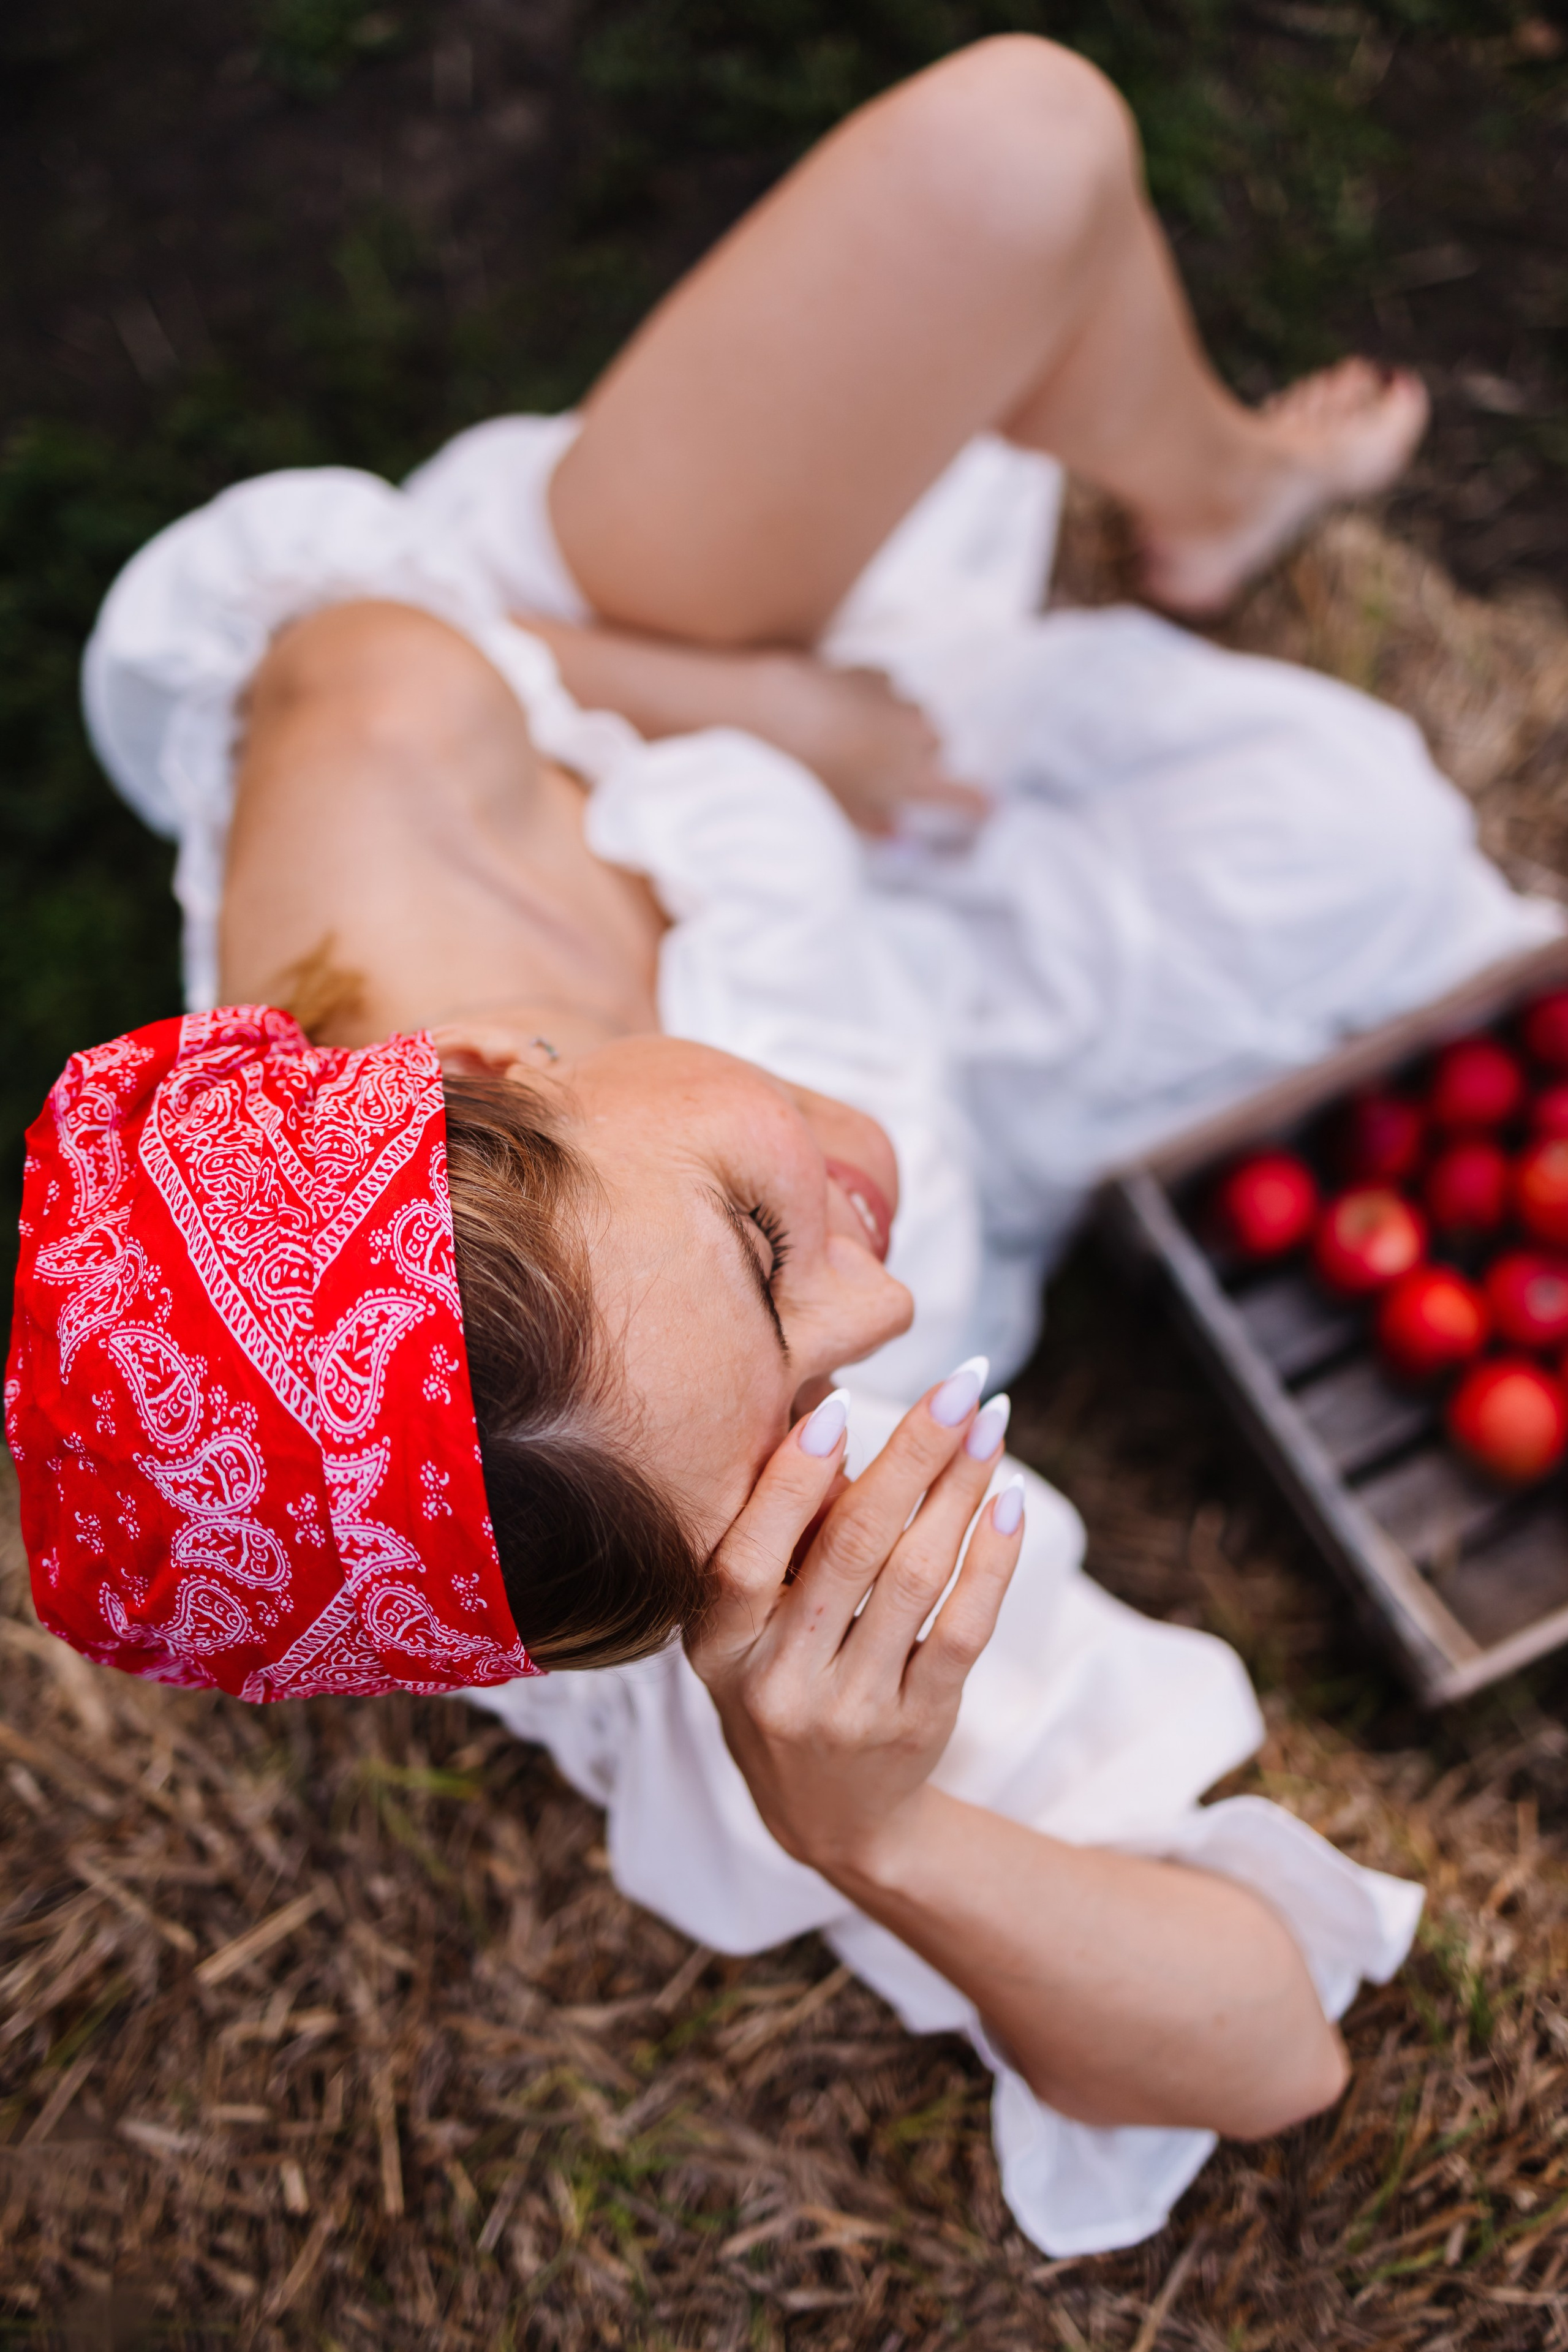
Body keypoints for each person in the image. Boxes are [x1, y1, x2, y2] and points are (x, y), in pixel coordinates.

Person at [9, 36, 1559, 2258]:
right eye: (807, 1384)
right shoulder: (665, 1542)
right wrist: (872, 1826)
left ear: (499, 1062)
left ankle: (1207, 485)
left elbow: (407, 631)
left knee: (1025, 141)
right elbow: (1266, 2051)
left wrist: (752, 709)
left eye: (756, 1247)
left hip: (692, 709)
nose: (888, 1299)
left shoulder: (372, 798)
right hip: (921, 989)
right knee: (1351, 839)